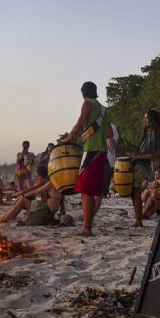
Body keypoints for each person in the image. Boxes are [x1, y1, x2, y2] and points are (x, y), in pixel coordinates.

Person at [59, 81, 112, 236]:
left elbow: (78, 124)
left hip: (91, 151)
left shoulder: (87, 103)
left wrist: (67, 139)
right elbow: (109, 133)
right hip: (102, 152)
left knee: (85, 191)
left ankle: (87, 228)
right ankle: (87, 226)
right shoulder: (104, 110)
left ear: (83, 93)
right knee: (93, 190)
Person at [129, 109, 160, 227]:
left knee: (135, 191)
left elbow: (157, 154)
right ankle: (138, 219)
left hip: (142, 165)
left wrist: (138, 156)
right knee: (134, 192)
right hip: (138, 163)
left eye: (147, 118)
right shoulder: (148, 131)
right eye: (144, 118)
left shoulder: (156, 133)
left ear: (153, 120)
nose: (145, 120)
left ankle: (139, 220)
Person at [95, 123, 119, 215]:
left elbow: (112, 146)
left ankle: (90, 216)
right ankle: (88, 216)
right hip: (94, 160)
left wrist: (106, 132)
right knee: (90, 190)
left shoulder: (111, 127)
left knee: (100, 192)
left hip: (106, 161)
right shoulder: (92, 126)